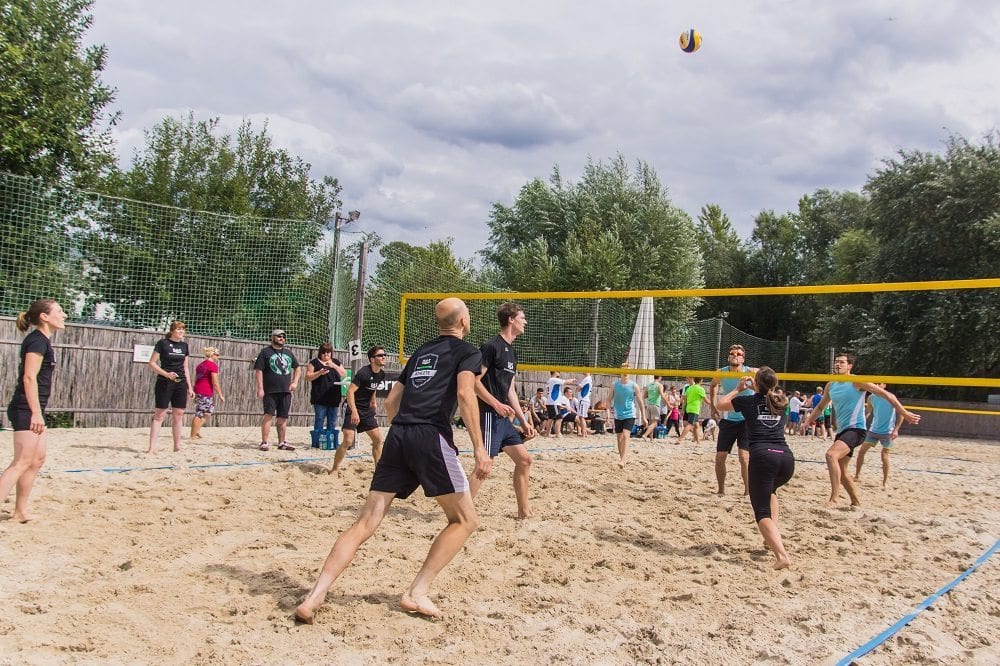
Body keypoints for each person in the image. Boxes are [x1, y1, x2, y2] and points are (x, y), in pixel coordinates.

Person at [294, 297, 490, 622]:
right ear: (464, 322)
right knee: (465, 521)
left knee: (364, 523)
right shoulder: (468, 352)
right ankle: (417, 592)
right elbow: (465, 394)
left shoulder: (422, 352)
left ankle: (315, 595)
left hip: (398, 435)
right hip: (430, 437)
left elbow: (392, 402)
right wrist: (480, 449)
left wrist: (404, 429)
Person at [804, 354, 920, 507]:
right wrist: (808, 420)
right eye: (836, 362)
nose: (838, 365)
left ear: (850, 366)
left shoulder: (856, 381)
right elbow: (820, 407)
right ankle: (856, 502)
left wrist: (904, 412)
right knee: (843, 471)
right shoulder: (831, 385)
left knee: (831, 455)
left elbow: (886, 395)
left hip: (857, 430)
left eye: (842, 362)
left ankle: (834, 499)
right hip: (843, 431)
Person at [715, 367, 794, 570]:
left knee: (761, 512)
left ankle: (782, 555)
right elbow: (771, 393)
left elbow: (720, 404)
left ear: (755, 384)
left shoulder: (748, 401)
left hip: (762, 458)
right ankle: (771, 538)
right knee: (771, 491)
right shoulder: (781, 402)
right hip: (786, 460)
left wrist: (740, 388)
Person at [1, 299, 67, 522]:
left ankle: (20, 512)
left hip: (33, 408)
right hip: (26, 409)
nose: (64, 315)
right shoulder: (37, 341)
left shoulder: (43, 341)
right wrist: (36, 413)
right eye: (59, 311)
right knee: (21, 462)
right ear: (44, 317)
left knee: (37, 460)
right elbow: (29, 378)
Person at [470, 302, 536, 519]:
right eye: (522, 317)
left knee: (524, 460)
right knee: (484, 466)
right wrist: (495, 404)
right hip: (489, 414)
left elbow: (509, 390)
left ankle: (523, 511)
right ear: (511, 319)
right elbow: (474, 382)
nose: (525, 321)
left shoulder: (511, 352)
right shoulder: (491, 346)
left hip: (504, 419)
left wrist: (523, 420)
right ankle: (462, 511)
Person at [330, 346, 387, 473]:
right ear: (372, 359)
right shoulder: (363, 373)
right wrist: (354, 411)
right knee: (348, 440)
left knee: (378, 440)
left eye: (384, 355)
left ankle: (378, 470)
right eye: (380, 355)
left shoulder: (381, 374)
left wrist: (373, 401)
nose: (384, 357)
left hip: (366, 410)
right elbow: (350, 391)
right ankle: (334, 469)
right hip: (352, 406)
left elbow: (373, 388)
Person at [709, 345, 756, 496]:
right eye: (732, 353)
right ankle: (721, 489)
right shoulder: (721, 372)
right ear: (728, 357)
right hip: (729, 419)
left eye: (739, 354)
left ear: (743, 358)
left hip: (747, 420)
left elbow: (769, 381)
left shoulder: (751, 372)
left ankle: (748, 492)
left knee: (744, 457)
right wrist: (712, 406)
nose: (735, 355)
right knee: (720, 456)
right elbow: (713, 386)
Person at [147, 320, 195, 453]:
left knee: (178, 414)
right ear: (172, 330)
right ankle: (152, 447)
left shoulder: (184, 346)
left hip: (180, 382)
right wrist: (166, 374)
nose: (181, 332)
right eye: (179, 329)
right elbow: (152, 363)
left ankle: (177, 445)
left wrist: (190, 387)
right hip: (165, 381)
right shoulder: (163, 343)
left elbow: (185, 367)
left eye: (183, 329)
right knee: (160, 414)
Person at [254, 329, 301, 451]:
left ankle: (281, 443)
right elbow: (259, 370)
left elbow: (298, 368)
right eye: (279, 336)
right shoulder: (265, 352)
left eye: (283, 336)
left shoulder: (289, 353)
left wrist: (295, 382)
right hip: (270, 390)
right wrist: (260, 388)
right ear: (273, 337)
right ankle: (264, 442)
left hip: (285, 390)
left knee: (282, 417)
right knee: (268, 415)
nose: (282, 338)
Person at [854, 383, 904, 487]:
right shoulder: (871, 397)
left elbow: (902, 414)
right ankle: (857, 476)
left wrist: (896, 430)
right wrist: (860, 422)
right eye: (874, 383)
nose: (876, 385)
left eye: (878, 383)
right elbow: (868, 411)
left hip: (888, 432)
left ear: (884, 385)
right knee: (861, 452)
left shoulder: (890, 397)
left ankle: (885, 482)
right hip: (874, 430)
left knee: (884, 456)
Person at [305, 343, 346, 448]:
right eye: (323, 352)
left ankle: (330, 442)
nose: (326, 354)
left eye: (328, 352)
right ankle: (317, 442)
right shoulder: (314, 362)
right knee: (319, 419)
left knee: (332, 420)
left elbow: (344, 374)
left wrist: (334, 366)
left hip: (334, 395)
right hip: (319, 396)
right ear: (320, 353)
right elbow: (308, 377)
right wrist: (319, 373)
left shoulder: (336, 362)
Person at [606, 365, 644, 468]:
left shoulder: (634, 385)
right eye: (624, 370)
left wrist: (644, 417)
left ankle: (623, 460)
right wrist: (608, 413)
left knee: (626, 435)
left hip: (630, 414)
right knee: (619, 437)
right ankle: (622, 458)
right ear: (620, 371)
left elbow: (640, 402)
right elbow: (609, 400)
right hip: (618, 414)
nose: (625, 372)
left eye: (628, 370)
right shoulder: (615, 385)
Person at [190, 346, 225, 440]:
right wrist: (221, 395)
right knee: (200, 413)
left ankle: (196, 431)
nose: (218, 357)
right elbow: (215, 382)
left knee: (208, 412)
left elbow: (196, 378)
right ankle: (193, 435)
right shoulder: (212, 365)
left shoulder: (200, 365)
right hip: (205, 391)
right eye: (217, 355)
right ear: (212, 355)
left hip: (199, 390)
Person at [676, 377, 706, 444]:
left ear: (692, 378)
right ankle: (680, 439)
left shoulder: (691, 388)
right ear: (701, 380)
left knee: (696, 425)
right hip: (693, 409)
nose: (686, 379)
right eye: (686, 378)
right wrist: (681, 407)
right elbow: (683, 398)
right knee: (689, 424)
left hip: (691, 408)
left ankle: (698, 441)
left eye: (688, 378)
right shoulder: (688, 387)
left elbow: (684, 398)